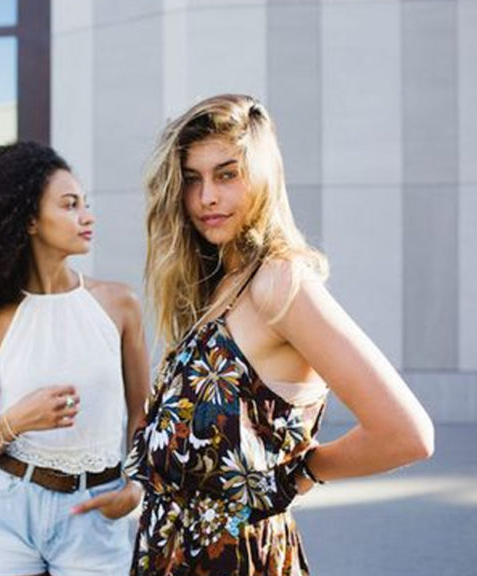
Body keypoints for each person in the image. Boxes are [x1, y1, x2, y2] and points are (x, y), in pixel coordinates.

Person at [124, 94, 434, 575]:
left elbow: (406, 433)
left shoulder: (279, 282)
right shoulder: (220, 284)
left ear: (263, 177)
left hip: (237, 559)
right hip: (172, 554)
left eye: (227, 174)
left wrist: (300, 475)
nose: (207, 197)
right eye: (192, 179)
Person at [0, 141, 150, 576]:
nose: (88, 216)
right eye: (70, 205)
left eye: (85, 204)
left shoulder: (120, 305)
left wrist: (136, 487)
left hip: (95, 512)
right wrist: (18, 420)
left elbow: (142, 415)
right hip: (7, 510)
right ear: (30, 220)